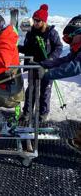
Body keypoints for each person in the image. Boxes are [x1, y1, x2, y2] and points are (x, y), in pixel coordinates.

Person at [40, 15, 81, 150]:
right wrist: (47, 63)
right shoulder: (77, 48)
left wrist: (48, 74)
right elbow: (66, 60)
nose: (69, 43)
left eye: (70, 38)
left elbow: (74, 66)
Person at [18, 4, 63, 122]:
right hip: (34, 65)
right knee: (31, 90)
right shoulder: (31, 32)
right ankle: (27, 113)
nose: (35, 22)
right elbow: (28, 48)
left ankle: (43, 114)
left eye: (38, 20)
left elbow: (59, 47)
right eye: (34, 20)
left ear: (43, 21)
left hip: (47, 67)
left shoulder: (51, 33)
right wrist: (17, 48)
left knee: (45, 90)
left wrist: (51, 59)